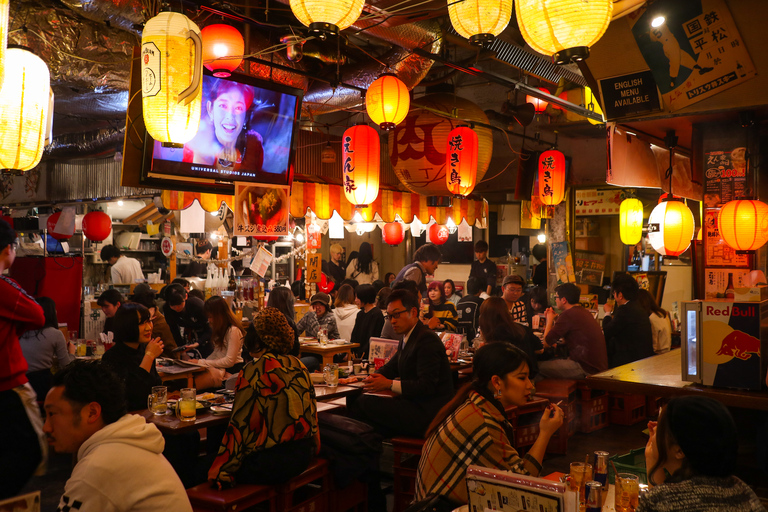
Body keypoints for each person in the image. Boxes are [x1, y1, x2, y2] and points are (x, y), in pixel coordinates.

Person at [415, 343, 563, 505]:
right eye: (522, 378)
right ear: (497, 382)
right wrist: (545, 433)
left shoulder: (474, 402)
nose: (530, 385)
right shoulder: (484, 422)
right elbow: (522, 484)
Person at [44, 361, 192, 512]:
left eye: (53, 414)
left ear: (92, 412)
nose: (46, 427)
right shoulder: (127, 442)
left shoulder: (99, 466)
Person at [208, 308, 318, 487]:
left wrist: (221, 471)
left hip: (270, 462)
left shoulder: (255, 370)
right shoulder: (298, 365)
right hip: (303, 455)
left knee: (198, 469)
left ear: (259, 338)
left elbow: (239, 426)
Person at [350, 289, 454, 438]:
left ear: (413, 312)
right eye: (390, 316)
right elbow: (390, 368)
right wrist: (368, 379)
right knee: (358, 401)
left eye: (396, 315)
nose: (392, 321)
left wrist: (389, 384)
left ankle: (364, 450)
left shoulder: (426, 339)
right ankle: (369, 449)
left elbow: (427, 386)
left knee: (364, 404)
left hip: (429, 413)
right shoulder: (407, 338)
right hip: (415, 406)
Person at [638, 396, 762, 512]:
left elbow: (662, 501)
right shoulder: (742, 490)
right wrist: (652, 458)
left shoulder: (659, 500)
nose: (654, 430)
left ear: (679, 451)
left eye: (659, 429)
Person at [0, 219, 47, 499]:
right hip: (8, 385)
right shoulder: (4, 285)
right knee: (30, 452)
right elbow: (38, 315)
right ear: (8, 249)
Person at [183, 79, 263, 171]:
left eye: (238, 108)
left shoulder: (254, 144)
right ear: (210, 109)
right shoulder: (195, 141)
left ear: (245, 117)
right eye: (223, 106)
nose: (230, 116)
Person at [101, 303, 164, 411]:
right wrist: (149, 356)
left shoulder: (144, 349)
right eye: (142, 323)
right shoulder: (112, 357)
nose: (149, 327)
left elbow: (155, 387)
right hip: (128, 419)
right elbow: (134, 395)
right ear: (127, 326)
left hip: (150, 413)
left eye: (149, 321)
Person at [540, 283, 608, 379]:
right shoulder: (583, 311)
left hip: (585, 368)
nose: (555, 300)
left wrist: (549, 320)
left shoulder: (568, 314)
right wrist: (556, 320)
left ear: (564, 300)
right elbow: (567, 334)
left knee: (537, 367)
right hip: (596, 367)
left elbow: (546, 342)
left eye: (556, 297)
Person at [20, 297, 75, 400]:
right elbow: (66, 366)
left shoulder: (21, 331)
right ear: (52, 313)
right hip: (42, 386)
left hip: (20, 385)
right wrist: (71, 352)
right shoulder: (55, 334)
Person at [189, 296, 244, 390]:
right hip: (221, 367)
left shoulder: (233, 330)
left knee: (196, 384)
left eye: (211, 317)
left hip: (233, 369)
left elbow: (229, 361)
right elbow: (217, 353)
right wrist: (199, 364)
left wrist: (201, 362)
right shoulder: (220, 329)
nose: (209, 320)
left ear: (219, 315)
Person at [478, 297, 541, 375]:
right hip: (528, 374)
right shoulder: (521, 328)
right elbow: (540, 349)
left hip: (507, 377)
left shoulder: (493, 333)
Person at [603, 273, 654, 368]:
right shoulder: (638, 307)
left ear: (620, 295)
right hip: (643, 360)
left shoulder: (625, 310)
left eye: (614, 293)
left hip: (630, 364)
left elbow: (607, 331)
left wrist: (607, 313)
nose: (614, 296)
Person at [163, 284, 212, 356]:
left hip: (205, 336)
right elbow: (174, 330)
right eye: (173, 306)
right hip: (188, 336)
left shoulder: (198, 306)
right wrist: (182, 350)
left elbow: (210, 329)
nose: (177, 308)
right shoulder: (167, 308)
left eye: (179, 304)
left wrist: (197, 343)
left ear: (186, 296)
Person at [131, 290, 178, 358]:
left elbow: (141, 344)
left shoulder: (160, 324)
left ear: (152, 309)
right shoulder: (154, 317)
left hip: (166, 360)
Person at [351, 284, 385, 359]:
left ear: (365, 297)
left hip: (370, 354)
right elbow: (354, 335)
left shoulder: (376, 314)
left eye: (358, 297)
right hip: (357, 354)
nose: (355, 300)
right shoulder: (360, 314)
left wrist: (361, 353)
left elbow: (373, 337)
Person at [636, 289, 672, 354]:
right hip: (667, 351)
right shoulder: (662, 314)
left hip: (659, 355)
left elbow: (654, 345)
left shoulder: (651, 318)